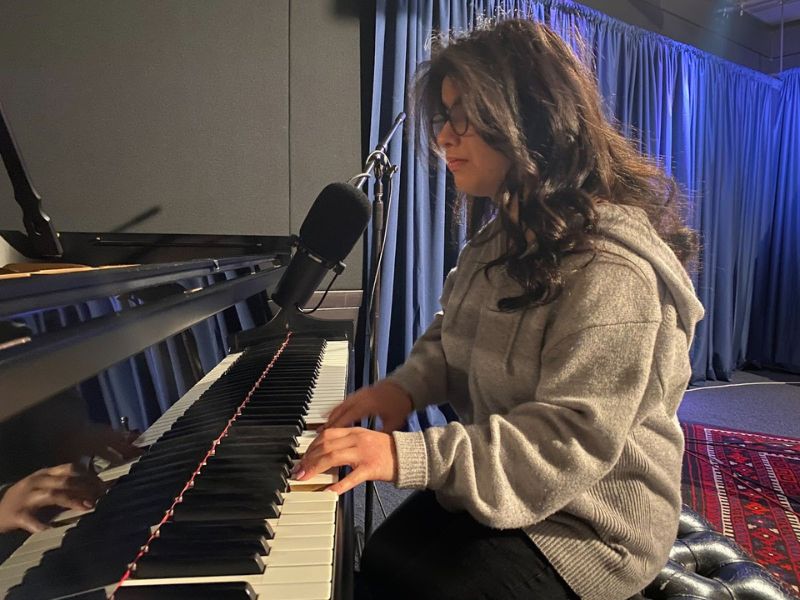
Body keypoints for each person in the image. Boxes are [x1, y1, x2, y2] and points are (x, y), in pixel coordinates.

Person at [293, 18, 704, 600]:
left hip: (592, 528)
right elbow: (453, 336)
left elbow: (564, 443)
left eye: (464, 117)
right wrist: (403, 390)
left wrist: (403, 453)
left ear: (530, 117)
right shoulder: (501, 237)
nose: (444, 139)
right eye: (444, 117)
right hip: (515, 483)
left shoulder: (615, 272)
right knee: (379, 562)